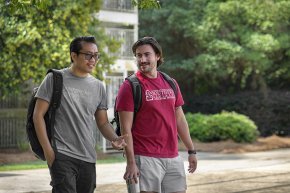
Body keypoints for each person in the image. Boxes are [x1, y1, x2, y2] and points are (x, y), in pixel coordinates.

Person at [33, 36, 127, 193]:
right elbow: (38, 115)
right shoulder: (54, 79)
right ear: (74, 55)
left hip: (88, 158)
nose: (93, 60)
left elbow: (103, 123)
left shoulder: (98, 87)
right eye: (88, 55)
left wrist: (115, 138)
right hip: (62, 155)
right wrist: (48, 150)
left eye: (96, 55)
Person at [116, 37, 197, 193]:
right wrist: (131, 162)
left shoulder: (170, 82)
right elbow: (126, 130)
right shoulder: (130, 86)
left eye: (147, 55)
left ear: (158, 56)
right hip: (145, 158)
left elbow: (179, 119)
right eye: (139, 55)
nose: (142, 59)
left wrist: (191, 150)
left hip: (173, 156)